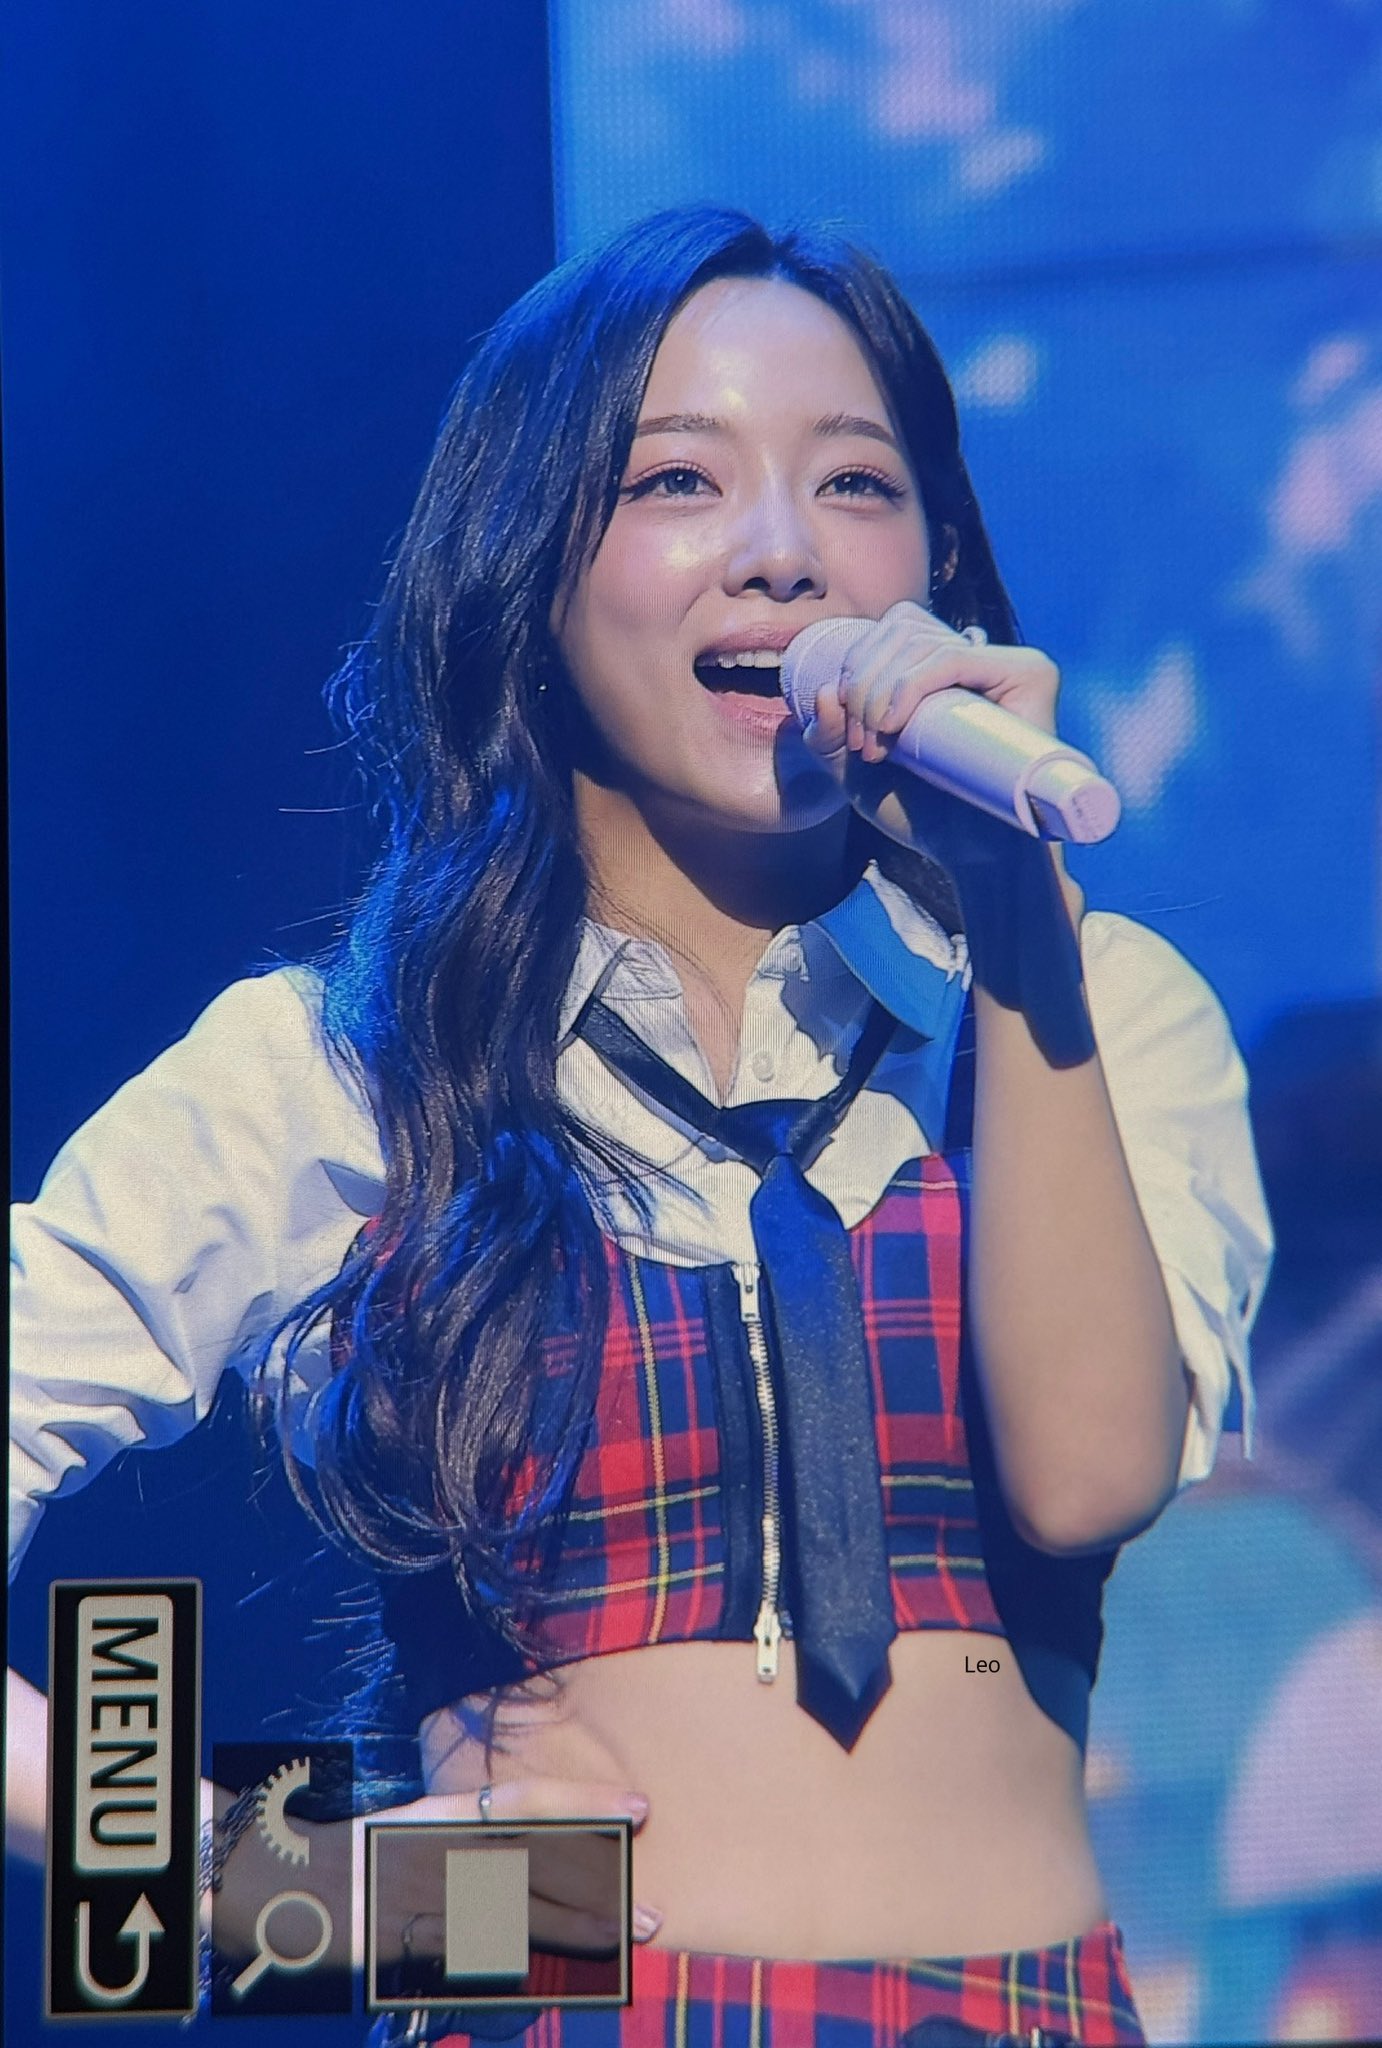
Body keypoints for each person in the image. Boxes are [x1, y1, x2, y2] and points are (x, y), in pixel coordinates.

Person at [8, 205, 1273, 2047]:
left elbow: (1088, 1481)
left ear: (936, 567)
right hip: (563, 2005)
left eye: (855, 485)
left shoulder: (1094, 1008)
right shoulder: (346, 1067)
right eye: (677, 480)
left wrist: (1015, 921)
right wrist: (257, 1875)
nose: (781, 552)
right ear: (528, 567)